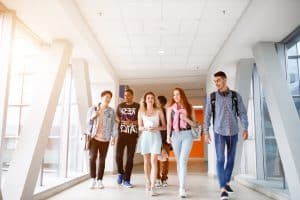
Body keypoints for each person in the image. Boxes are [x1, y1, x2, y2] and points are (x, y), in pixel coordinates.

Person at [204, 71, 248, 200]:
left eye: (218, 80)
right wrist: (206, 132)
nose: (216, 83)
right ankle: (223, 188)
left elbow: (243, 113)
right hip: (219, 132)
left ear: (225, 80)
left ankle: (227, 182)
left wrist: (245, 127)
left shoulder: (235, 96)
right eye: (215, 81)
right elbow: (207, 116)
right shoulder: (212, 97)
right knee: (220, 159)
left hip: (233, 132)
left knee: (231, 159)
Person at [166, 88, 197, 198]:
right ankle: (181, 184)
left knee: (183, 161)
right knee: (179, 161)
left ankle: (182, 188)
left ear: (182, 95)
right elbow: (169, 124)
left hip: (187, 135)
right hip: (175, 135)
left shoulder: (189, 107)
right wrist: (168, 137)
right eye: (174, 95)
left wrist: (186, 119)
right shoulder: (170, 109)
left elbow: (195, 124)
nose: (176, 96)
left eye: (178, 94)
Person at [137, 92, 166, 196]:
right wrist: (146, 128)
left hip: (156, 137)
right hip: (145, 137)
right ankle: (147, 182)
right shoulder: (141, 111)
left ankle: (153, 186)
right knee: (146, 161)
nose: (150, 99)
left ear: (154, 100)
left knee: (154, 160)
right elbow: (139, 127)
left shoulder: (159, 110)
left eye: (152, 98)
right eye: (148, 98)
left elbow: (164, 126)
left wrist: (156, 128)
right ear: (145, 100)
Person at [87, 90, 117, 189]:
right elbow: (88, 121)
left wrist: (113, 137)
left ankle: (100, 180)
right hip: (94, 137)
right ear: (102, 97)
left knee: (102, 160)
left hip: (105, 139)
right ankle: (93, 179)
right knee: (92, 158)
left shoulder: (111, 111)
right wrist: (93, 116)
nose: (108, 99)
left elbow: (113, 124)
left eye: (109, 98)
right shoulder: (93, 108)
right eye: (106, 97)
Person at [115, 88, 140, 188]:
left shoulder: (137, 106)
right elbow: (116, 117)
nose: (126, 97)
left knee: (130, 158)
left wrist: (132, 122)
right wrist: (120, 121)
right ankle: (120, 172)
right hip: (121, 134)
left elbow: (141, 120)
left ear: (132, 95)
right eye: (125, 96)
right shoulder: (120, 106)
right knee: (118, 156)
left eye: (128, 95)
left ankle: (127, 179)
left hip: (132, 135)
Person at [155, 95, 170, 188]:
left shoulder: (167, 113)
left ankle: (164, 179)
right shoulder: (154, 112)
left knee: (165, 160)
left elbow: (168, 127)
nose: (157, 104)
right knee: (156, 160)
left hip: (165, 140)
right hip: (155, 140)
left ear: (163, 103)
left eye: (158, 102)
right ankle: (157, 179)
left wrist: (167, 139)